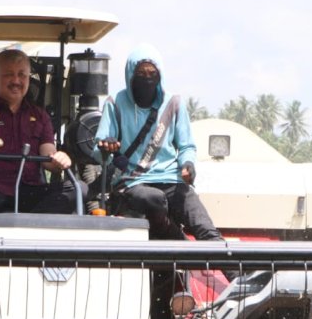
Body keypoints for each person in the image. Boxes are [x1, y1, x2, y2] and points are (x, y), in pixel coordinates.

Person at [94, 43, 221, 242]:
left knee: (202, 223)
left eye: (152, 73)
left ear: (160, 74)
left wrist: (188, 164)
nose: (147, 78)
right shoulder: (115, 103)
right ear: (130, 75)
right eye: (141, 73)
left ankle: (236, 272)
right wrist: (107, 148)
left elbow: (187, 146)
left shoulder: (174, 103)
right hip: (133, 182)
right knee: (154, 198)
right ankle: (181, 244)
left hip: (171, 179)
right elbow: (97, 148)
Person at [0, 48, 81, 214]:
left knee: (79, 189)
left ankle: (31, 225)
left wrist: (60, 159)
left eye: (22, 75)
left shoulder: (40, 115)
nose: (16, 80)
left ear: (29, 79)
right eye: (9, 74)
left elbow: (48, 157)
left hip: (31, 191)